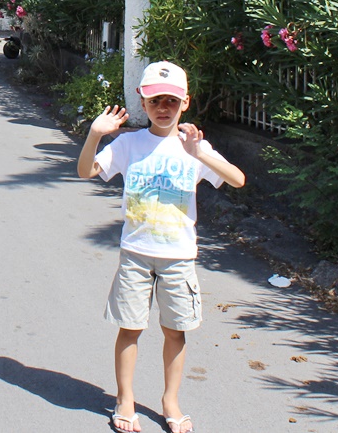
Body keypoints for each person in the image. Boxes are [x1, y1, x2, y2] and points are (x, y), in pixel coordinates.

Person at [76, 61, 245, 433]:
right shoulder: (129, 143)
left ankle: (170, 400)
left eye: (172, 100)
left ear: (186, 102)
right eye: (155, 100)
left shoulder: (195, 147)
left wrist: (200, 153)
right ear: (142, 100)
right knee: (130, 328)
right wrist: (94, 135)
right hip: (135, 253)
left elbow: (237, 179)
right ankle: (125, 398)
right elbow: (86, 171)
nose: (163, 107)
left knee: (175, 331)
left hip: (179, 257)